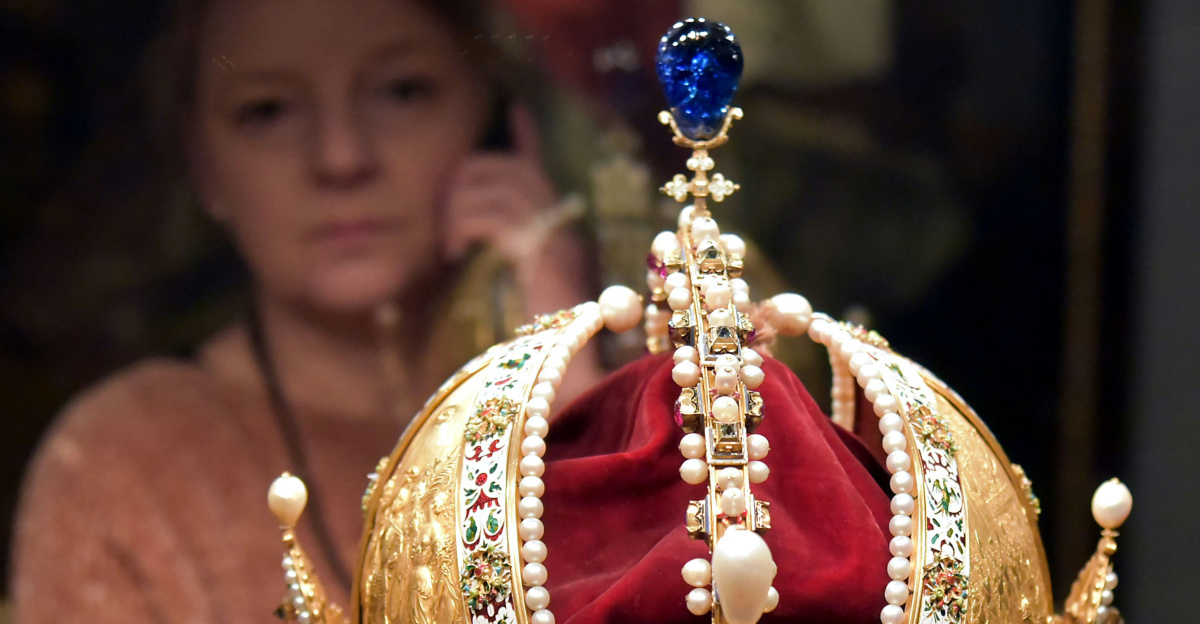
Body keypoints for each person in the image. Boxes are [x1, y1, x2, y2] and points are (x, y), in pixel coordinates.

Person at [11, 0, 598, 621]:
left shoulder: (645, 387)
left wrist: (571, 382)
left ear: (498, 125)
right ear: (204, 164)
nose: (340, 158)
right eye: (267, 110)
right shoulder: (123, 461)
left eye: (401, 92)